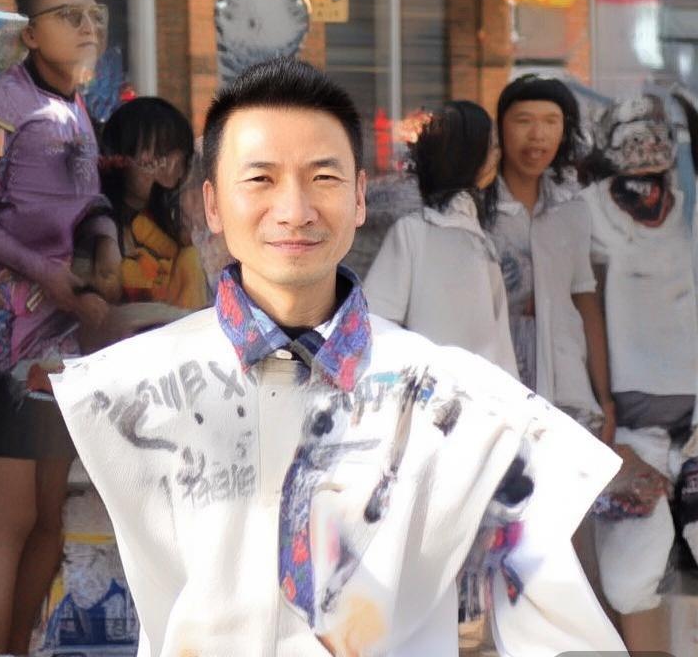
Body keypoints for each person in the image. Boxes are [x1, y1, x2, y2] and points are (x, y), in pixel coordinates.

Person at [51, 59, 624, 656]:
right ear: (212, 205)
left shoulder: (455, 400)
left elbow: (560, 624)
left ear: (358, 198)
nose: (294, 210)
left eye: (322, 177)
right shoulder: (131, 386)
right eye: (261, 178)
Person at [0, 0, 121, 655]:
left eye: (93, 14)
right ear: (29, 34)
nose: (87, 27)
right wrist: (47, 272)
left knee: (49, 522)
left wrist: (106, 243)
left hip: (68, 342)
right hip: (10, 339)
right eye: (68, 15)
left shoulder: (76, 107)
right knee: (9, 528)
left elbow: (90, 200)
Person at [582, 93, 698, 653]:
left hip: (694, 427)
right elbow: (578, 310)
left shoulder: (690, 209)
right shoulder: (587, 212)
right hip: (629, 429)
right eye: (631, 136)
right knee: (629, 580)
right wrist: (599, 410)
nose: (645, 147)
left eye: (655, 135)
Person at [487, 75, 615, 443]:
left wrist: (604, 397)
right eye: (523, 121)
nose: (537, 135)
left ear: (564, 130)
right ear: (501, 128)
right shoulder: (477, 210)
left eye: (550, 122)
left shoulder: (572, 209)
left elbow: (585, 302)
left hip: (564, 384)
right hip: (496, 382)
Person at [364, 101, 516, 375]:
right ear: (468, 155)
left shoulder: (481, 241)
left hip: (479, 394)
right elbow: (376, 323)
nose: (498, 154)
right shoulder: (413, 232)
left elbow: (499, 344)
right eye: (491, 146)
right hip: (425, 392)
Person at [100, 96, 209, 310]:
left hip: (176, 323)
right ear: (121, 157)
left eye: (177, 153)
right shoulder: (101, 222)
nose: (168, 164)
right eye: (159, 153)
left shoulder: (171, 218)